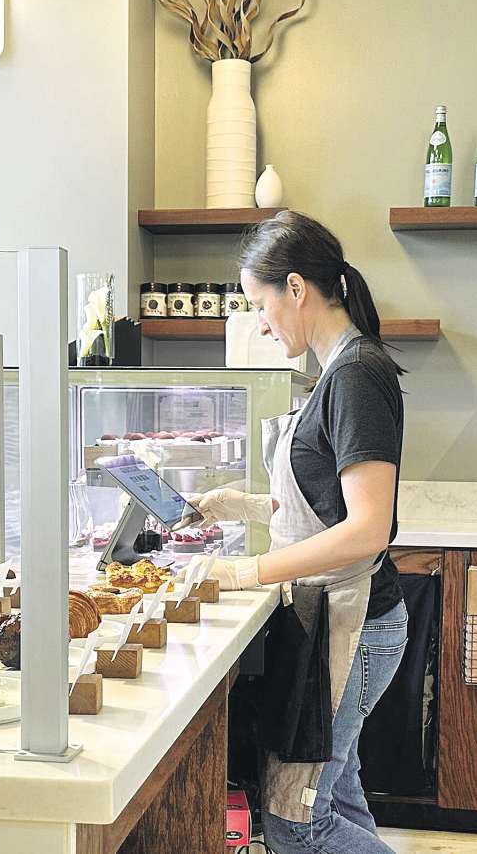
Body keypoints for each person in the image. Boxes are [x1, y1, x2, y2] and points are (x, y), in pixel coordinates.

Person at [190, 211, 408, 854]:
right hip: (336, 617)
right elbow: (326, 507)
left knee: (296, 824)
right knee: (337, 796)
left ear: (295, 287)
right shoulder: (337, 370)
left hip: (355, 624)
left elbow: (368, 528)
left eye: (260, 305)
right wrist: (242, 507)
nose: (260, 322)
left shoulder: (356, 374)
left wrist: (244, 571)